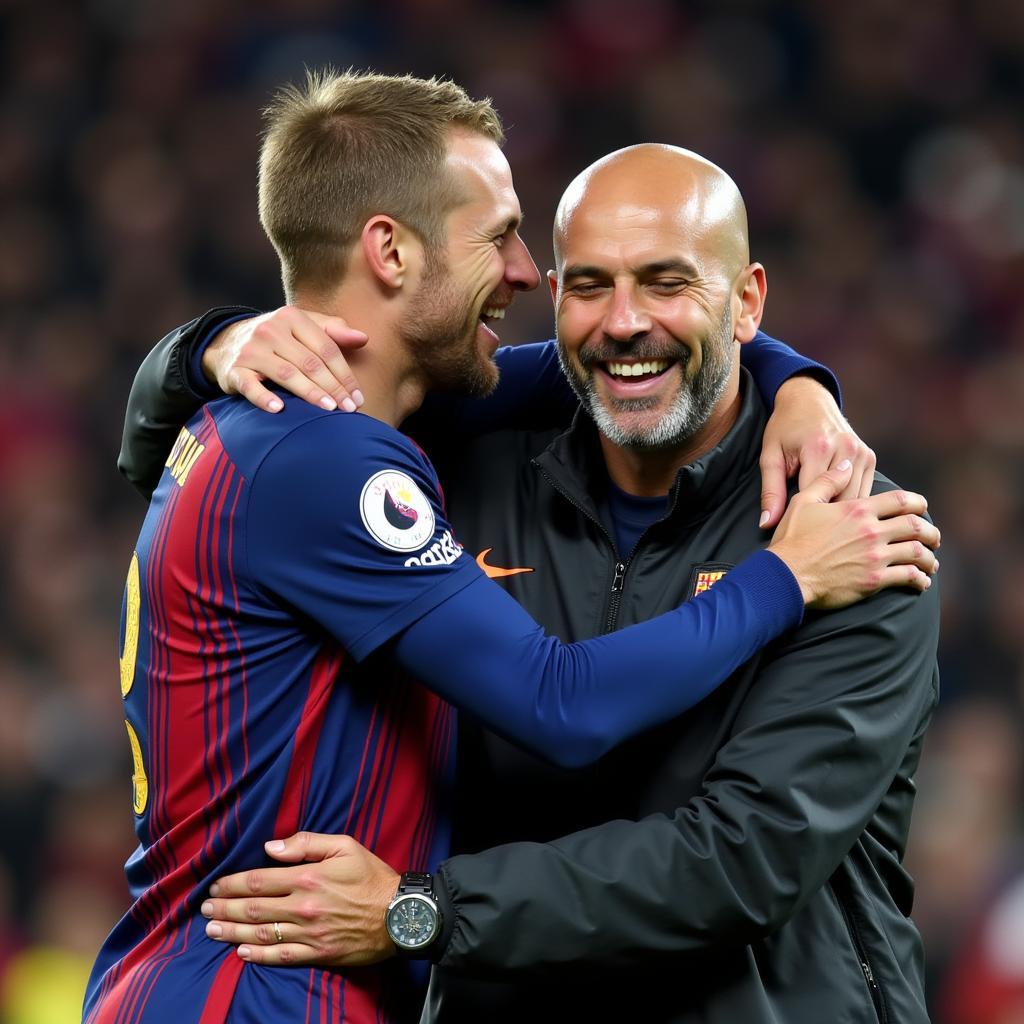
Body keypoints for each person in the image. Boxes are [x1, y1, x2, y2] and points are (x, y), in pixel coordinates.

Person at [108, 78, 939, 1024]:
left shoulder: (850, 528)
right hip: (260, 988)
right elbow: (564, 702)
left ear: (748, 301)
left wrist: (798, 382)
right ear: (390, 249)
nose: (614, 318)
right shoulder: (413, 450)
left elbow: (743, 859)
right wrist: (212, 343)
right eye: (580, 282)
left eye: (667, 280)